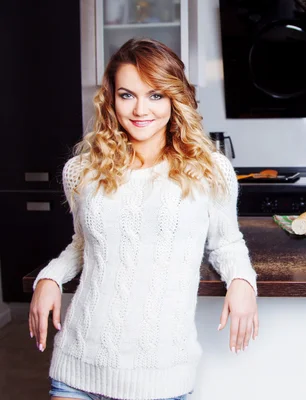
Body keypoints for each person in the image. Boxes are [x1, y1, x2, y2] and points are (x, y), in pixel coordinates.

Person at [28, 38, 259, 400]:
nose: (140, 109)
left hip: (161, 378)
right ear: (111, 98)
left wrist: (242, 281)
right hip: (78, 366)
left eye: (155, 95)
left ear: (174, 98)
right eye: (127, 95)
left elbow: (226, 243)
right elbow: (84, 244)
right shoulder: (82, 171)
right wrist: (50, 278)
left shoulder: (210, 170)